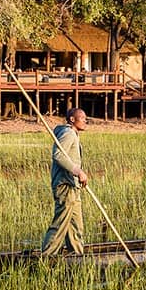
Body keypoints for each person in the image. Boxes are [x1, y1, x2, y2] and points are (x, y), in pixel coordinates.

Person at [40, 107, 89, 256]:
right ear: (72, 119)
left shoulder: (72, 133)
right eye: (82, 118)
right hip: (65, 185)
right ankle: (47, 256)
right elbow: (58, 155)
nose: (85, 121)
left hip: (73, 186)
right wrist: (78, 171)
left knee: (76, 225)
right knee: (61, 223)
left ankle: (77, 256)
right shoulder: (68, 133)